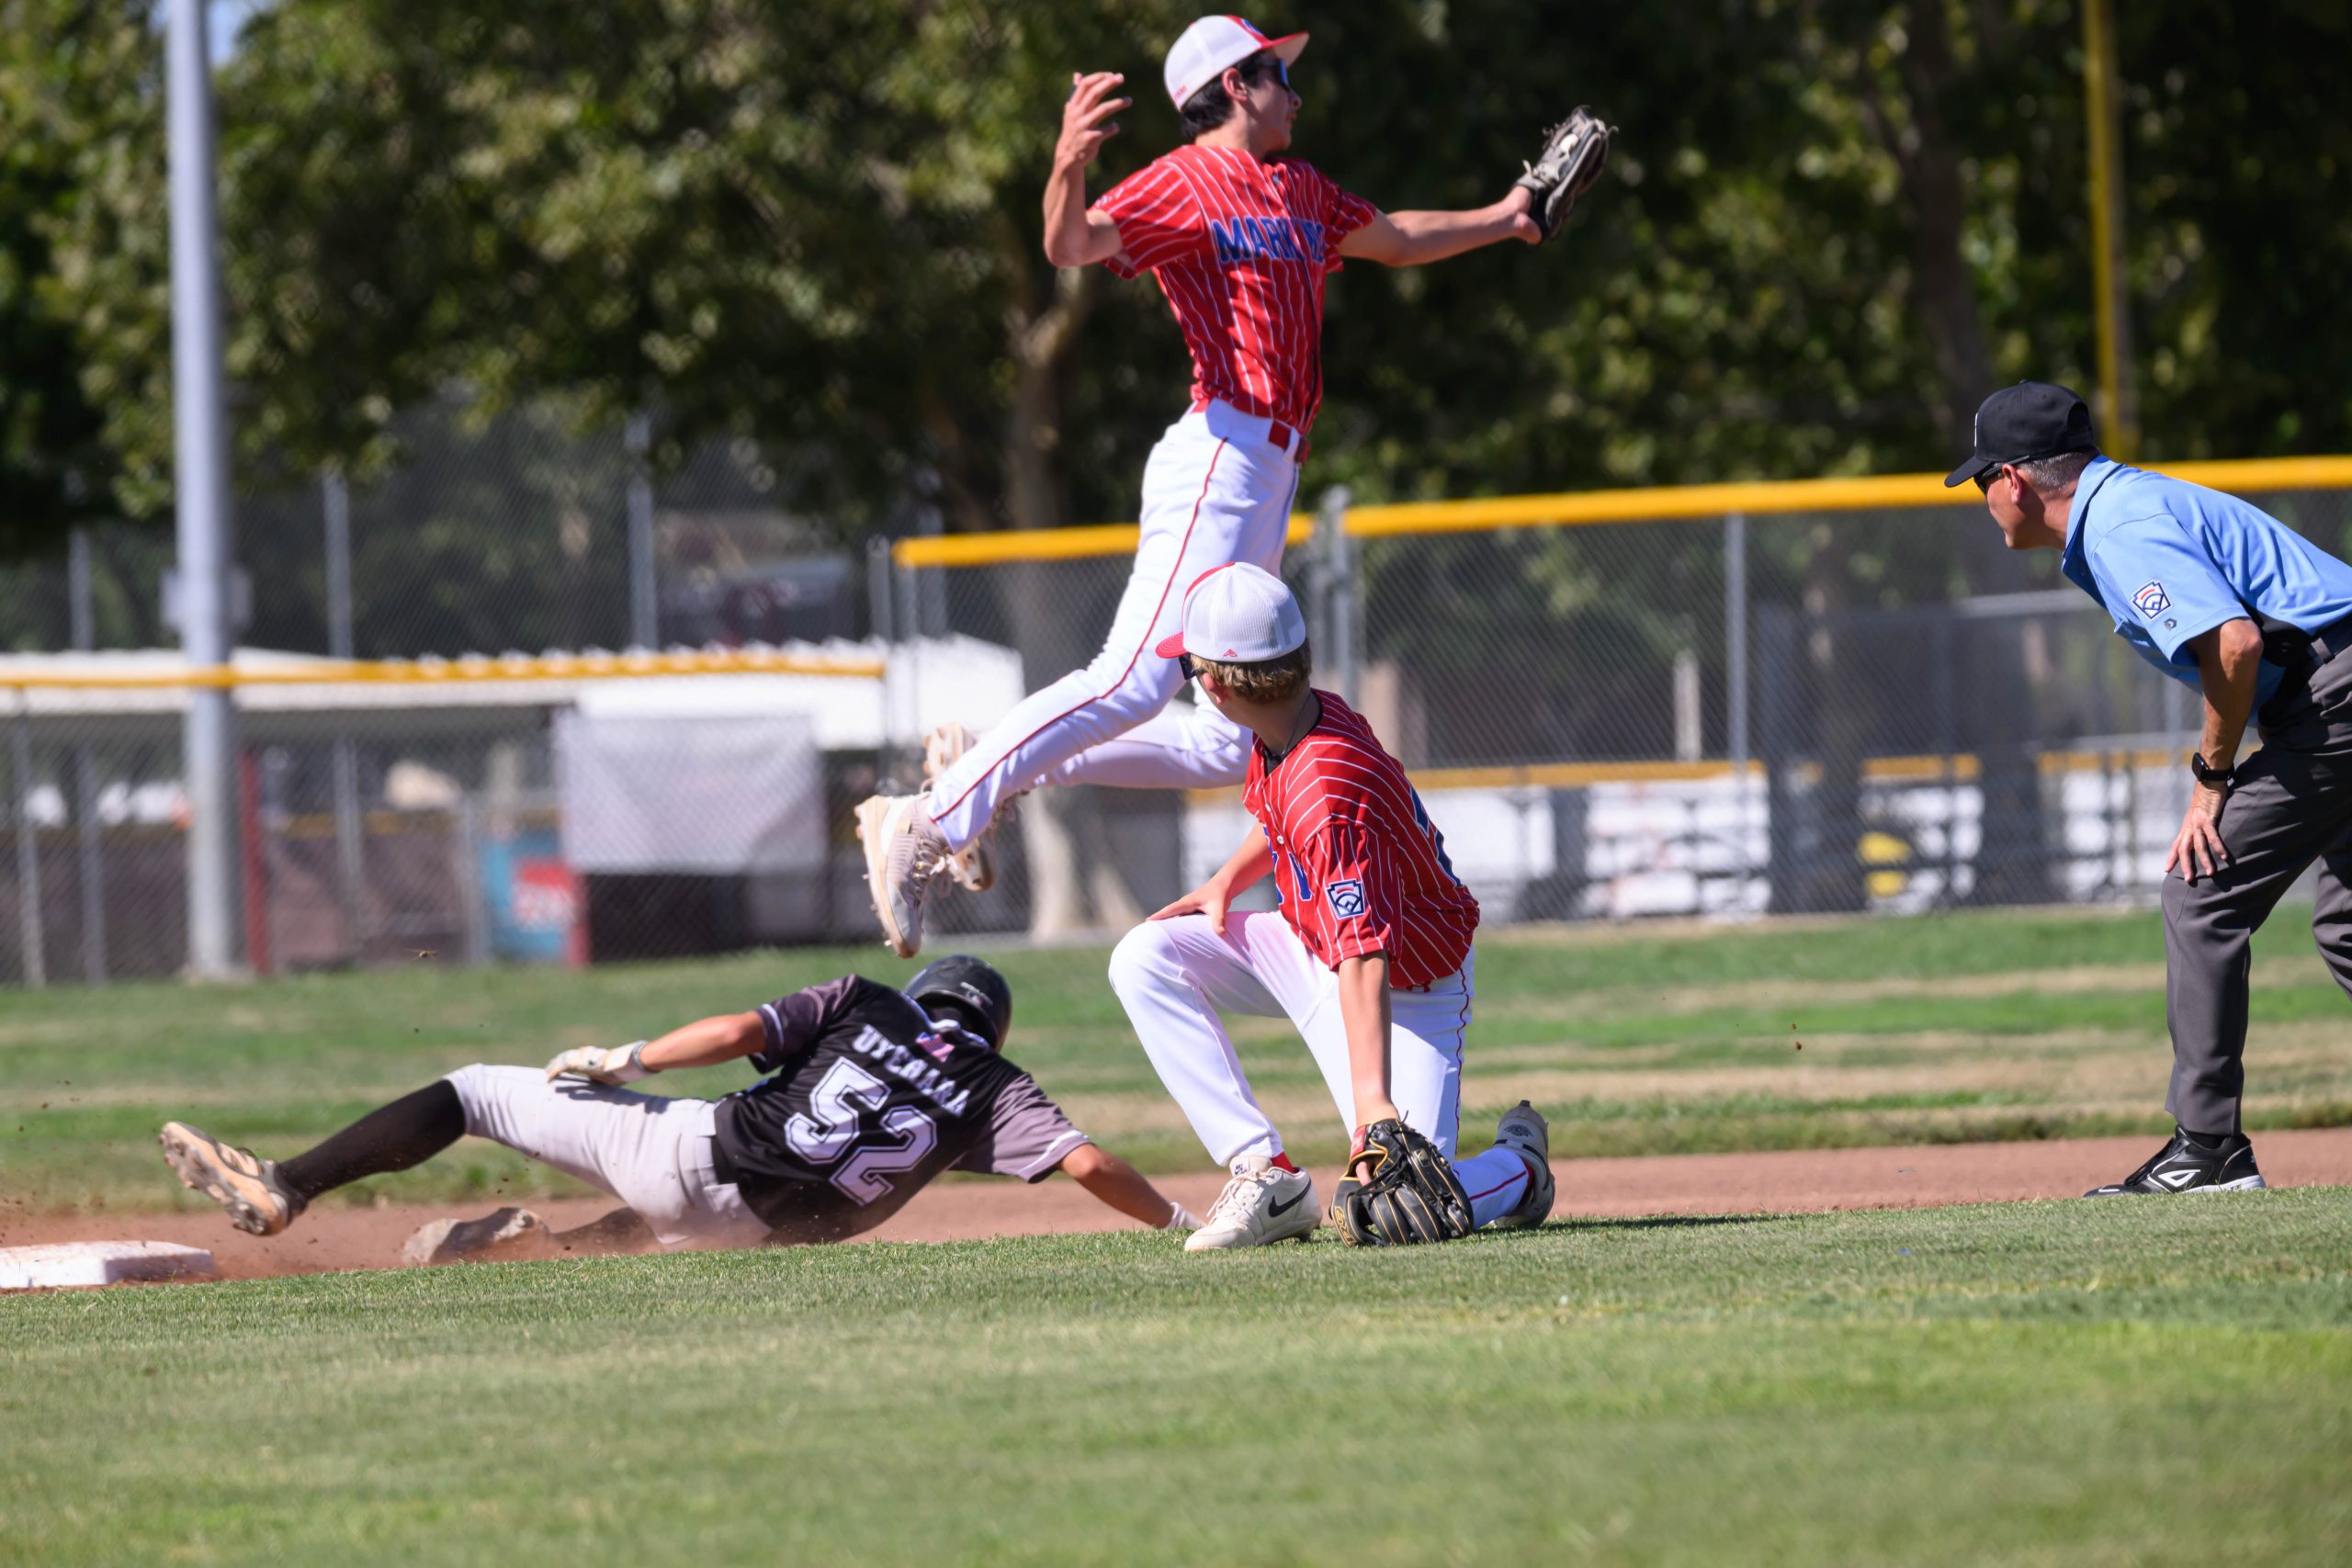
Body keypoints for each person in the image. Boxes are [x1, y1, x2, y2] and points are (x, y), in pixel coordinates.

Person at [855, 16, 1605, 957]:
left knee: (1225, 737)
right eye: (1276, 75)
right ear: (1235, 86)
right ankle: (924, 820)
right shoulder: (1183, 179)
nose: (1293, 90)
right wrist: (1065, 162)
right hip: (1221, 451)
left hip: (1271, 469)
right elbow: (1071, 244)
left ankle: (986, 771)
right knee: (1129, 683)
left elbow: (1398, 237)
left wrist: (1509, 214)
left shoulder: (1298, 187)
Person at [1947, 380, 2352, 1196]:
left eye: (1983, 477)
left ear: (2017, 480)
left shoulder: (2122, 527)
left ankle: (2208, 1151)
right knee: (2346, 922)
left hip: (2336, 695)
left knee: (2201, 888)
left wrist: (2212, 781)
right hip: (2331, 685)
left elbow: (2233, 645)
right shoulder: (2128, 503)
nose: (1983, 496)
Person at [157, 956, 1196, 1261]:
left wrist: (626, 1057)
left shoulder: (868, 1001)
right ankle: (529, 1248)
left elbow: (743, 1032)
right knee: (666, 1228)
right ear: (993, 1029)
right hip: (743, 1234)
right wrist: (1183, 1226)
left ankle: (286, 1186)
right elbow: (1089, 1165)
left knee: (470, 1090)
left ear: (927, 998)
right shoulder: (988, 1092)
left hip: (701, 1149)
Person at [1103, 562, 1555, 1248]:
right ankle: (1267, 1172)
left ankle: (1520, 1170)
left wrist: (1374, 1108)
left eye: (1193, 671)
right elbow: (1286, 817)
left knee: (1407, 1207)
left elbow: (1366, 951)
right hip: (1315, 946)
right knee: (1145, 956)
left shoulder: (1326, 794)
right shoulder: (1304, 716)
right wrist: (1227, 877)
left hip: (1408, 985)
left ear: (1220, 688)